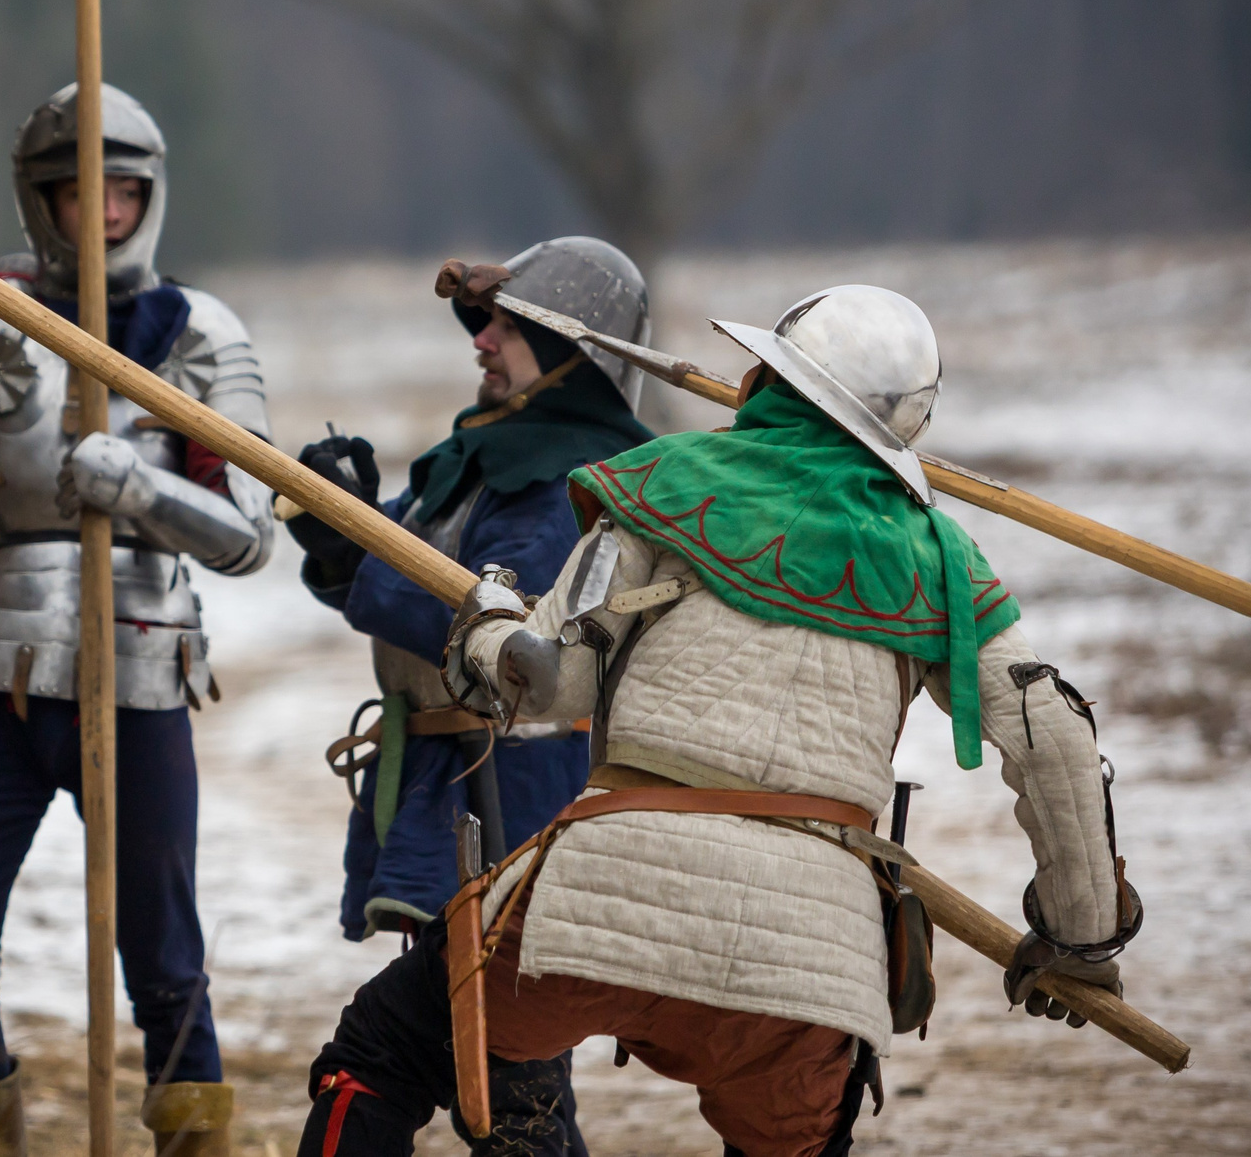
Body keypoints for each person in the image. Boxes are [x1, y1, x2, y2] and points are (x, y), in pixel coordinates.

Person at [296, 285, 1141, 1157]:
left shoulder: (667, 480)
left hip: (608, 900)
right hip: (811, 960)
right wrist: (1081, 932)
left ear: (768, 379)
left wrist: (487, 629)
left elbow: (547, 680)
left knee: (379, 1054)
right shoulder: (942, 553)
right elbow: (1057, 736)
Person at [0, 84, 276, 1157]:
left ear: (149, 196)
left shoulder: (200, 335)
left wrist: (140, 492)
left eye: (124, 191)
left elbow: (247, 535)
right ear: (43, 201)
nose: (107, 212)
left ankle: (190, 1145)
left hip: (141, 672)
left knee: (165, 960)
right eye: (83, 193)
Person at [284, 236, 654, 1156]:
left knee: (504, 1077)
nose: (481, 339)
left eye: (507, 324)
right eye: (482, 320)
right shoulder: (482, 452)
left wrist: (363, 546)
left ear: (578, 354)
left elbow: (503, 621)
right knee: (481, 1065)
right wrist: (342, 538)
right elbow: (401, 588)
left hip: (526, 791)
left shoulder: (578, 476)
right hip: (455, 786)